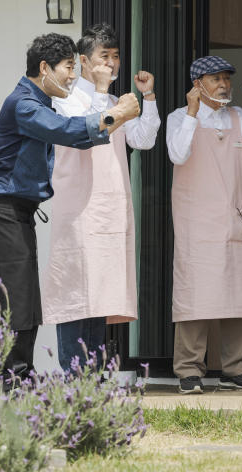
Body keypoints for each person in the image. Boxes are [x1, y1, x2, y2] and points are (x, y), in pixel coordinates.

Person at [0, 33, 140, 382]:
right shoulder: (24, 104)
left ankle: (21, 382)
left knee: (28, 305)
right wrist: (116, 114)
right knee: (11, 305)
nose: (72, 76)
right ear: (44, 67)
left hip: (17, 215)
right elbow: (68, 131)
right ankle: (9, 386)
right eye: (67, 68)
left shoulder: (40, 102)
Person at [42, 24, 161, 373]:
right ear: (83, 60)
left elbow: (144, 139)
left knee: (101, 293)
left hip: (110, 209)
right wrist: (102, 91)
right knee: (75, 291)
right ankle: (73, 376)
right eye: (103, 57)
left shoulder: (114, 101)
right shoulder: (65, 99)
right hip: (78, 208)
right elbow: (90, 130)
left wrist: (148, 99)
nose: (111, 64)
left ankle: (92, 378)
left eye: (115, 57)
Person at [166, 55, 242, 394]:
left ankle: (236, 369)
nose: (224, 84)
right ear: (197, 84)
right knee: (195, 298)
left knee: (238, 297)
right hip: (195, 224)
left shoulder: (239, 117)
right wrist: (190, 113)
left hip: (233, 221)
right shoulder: (179, 117)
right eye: (216, 79)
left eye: (226, 79)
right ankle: (188, 371)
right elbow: (177, 153)